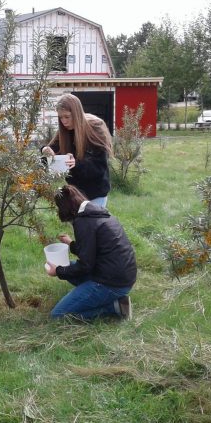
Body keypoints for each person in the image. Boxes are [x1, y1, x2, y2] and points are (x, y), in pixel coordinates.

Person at [45, 185, 137, 320]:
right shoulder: (98, 213)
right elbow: (91, 250)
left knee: (58, 315)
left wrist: (58, 271)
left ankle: (114, 306)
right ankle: (96, 296)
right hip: (122, 276)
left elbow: (85, 265)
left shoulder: (83, 222)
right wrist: (71, 244)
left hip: (111, 283)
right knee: (67, 265)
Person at [41, 94, 113, 207]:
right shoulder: (64, 132)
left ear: (77, 113)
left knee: (92, 224)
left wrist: (77, 164)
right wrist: (45, 150)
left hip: (96, 193)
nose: (64, 121)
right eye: (61, 117)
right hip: (74, 194)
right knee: (78, 225)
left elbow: (99, 166)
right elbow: (50, 151)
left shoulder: (95, 128)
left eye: (67, 117)